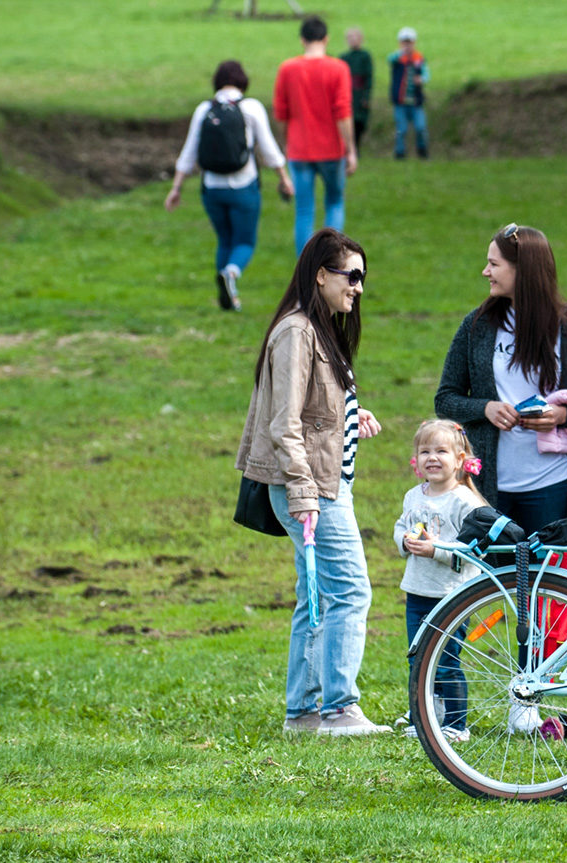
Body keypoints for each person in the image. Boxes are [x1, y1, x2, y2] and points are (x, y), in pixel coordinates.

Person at [235, 227, 386, 736]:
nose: (359, 287)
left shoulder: (317, 330)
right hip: (312, 489)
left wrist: (350, 417)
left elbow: (310, 411)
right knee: (350, 591)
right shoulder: (297, 332)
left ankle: (302, 713)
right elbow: (284, 423)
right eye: (352, 275)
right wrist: (303, 494)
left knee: (317, 595)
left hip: (323, 483)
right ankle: (339, 708)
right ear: (321, 275)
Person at [434, 223, 567, 533]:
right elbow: (445, 399)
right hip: (487, 488)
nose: (485, 272)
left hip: (554, 484)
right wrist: (485, 409)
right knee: (494, 581)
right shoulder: (477, 326)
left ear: (523, 270)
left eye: (494, 264)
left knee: (551, 581)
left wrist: (562, 415)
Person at [164, 60, 293, 312]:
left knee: (224, 240)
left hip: (212, 189)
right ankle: (231, 275)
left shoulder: (204, 110)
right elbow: (268, 149)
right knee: (244, 242)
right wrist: (283, 178)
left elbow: (189, 152)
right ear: (243, 81)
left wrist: (176, 188)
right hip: (244, 187)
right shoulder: (251, 108)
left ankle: (227, 297)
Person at [393, 420, 487, 742]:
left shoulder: (465, 502)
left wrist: (438, 550)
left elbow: (475, 549)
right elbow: (400, 526)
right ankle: (423, 717)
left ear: (460, 459)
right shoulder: (412, 496)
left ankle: (456, 725)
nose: (432, 457)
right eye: (425, 451)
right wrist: (404, 542)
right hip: (418, 591)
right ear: (416, 460)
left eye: (441, 451)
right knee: (418, 659)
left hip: (452, 594)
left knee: (445, 661)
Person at [274, 15, 356, 254]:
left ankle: (306, 267)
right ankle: (329, 259)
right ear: (326, 39)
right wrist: (350, 149)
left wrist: (286, 140)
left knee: (304, 210)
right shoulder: (338, 69)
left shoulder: (287, 69)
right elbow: (343, 112)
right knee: (334, 202)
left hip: (299, 150)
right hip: (331, 149)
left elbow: (281, 112)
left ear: (302, 40)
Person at [388, 27, 430, 160]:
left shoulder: (419, 59)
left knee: (420, 127)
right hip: (400, 102)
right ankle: (399, 153)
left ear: (414, 43)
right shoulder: (397, 59)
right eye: (404, 42)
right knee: (401, 129)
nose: (407, 45)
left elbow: (426, 74)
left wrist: (421, 79)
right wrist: (401, 53)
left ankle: (422, 151)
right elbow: (389, 59)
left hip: (416, 102)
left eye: (409, 42)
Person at [339, 27, 373, 150]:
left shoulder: (365, 56)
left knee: (359, 121)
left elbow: (368, 77)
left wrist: (366, 96)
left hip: (359, 92)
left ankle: (356, 146)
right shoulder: (344, 57)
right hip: (348, 91)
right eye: (350, 38)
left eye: (355, 37)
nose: (353, 40)